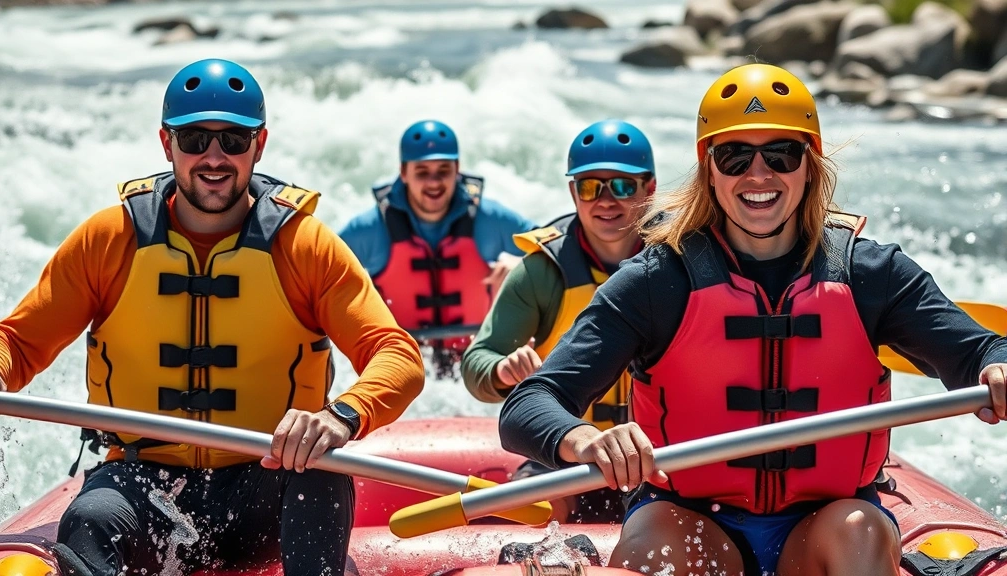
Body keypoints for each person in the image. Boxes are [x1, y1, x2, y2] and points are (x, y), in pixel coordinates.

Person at [499, 63, 1007, 575]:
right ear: (709, 168)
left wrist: (998, 366)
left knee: (861, 529)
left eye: (781, 154)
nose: (758, 175)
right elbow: (529, 403)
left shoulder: (871, 274)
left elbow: (979, 350)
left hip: (821, 526)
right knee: (657, 537)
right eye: (735, 155)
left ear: (809, 163)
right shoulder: (655, 281)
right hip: (691, 520)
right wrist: (584, 439)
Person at [0, 58, 425, 576]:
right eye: (194, 139)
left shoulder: (304, 245)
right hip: (142, 487)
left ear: (258, 145)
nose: (214, 158)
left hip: (266, 480)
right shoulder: (108, 240)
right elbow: (16, 341)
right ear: (167, 143)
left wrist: (341, 416)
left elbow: (398, 357)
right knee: (91, 516)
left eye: (233, 141)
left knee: (321, 473)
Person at [462, 119, 655, 523]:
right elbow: (477, 362)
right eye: (590, 187)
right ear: (573, 192)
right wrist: (502, 369)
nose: (605, 200)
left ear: (649, 189)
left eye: (622, 186)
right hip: (566, 452)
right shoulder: (541, 272)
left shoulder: (680, 264)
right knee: (521, 514)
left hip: (660, 454)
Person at [339, 120, 535, 375]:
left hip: (477, 365)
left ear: (457, 170)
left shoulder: (489, 218)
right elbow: (317, 272)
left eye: (443, 170)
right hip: (402, 367)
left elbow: (558, 250)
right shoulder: (371, 228)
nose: (434, 182)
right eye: (422, 171)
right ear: (403, 173)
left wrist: (527, 264)